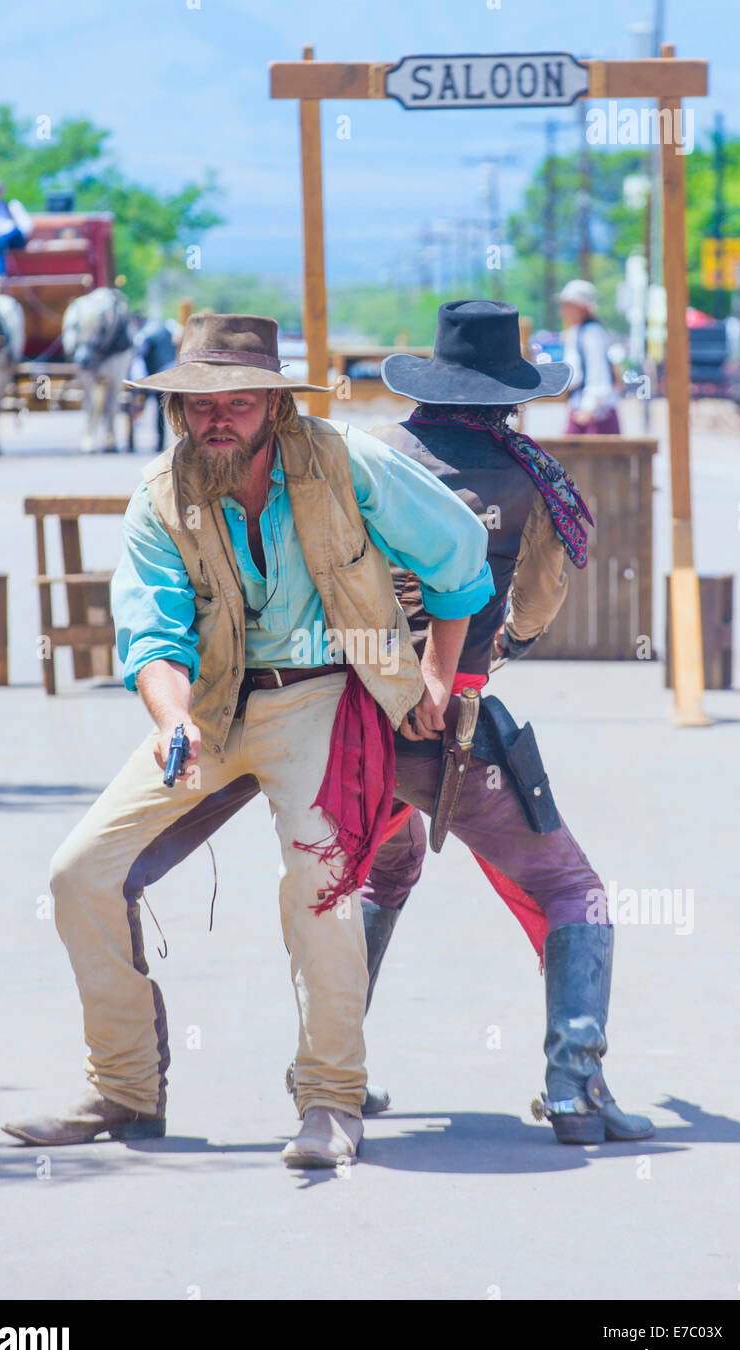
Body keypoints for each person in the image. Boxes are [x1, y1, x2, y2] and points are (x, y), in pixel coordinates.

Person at [150, 302, 654, 1146]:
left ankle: (331, 1073)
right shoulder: (533, 475)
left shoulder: (368, 454)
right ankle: (577, 1089)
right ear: (511, 394)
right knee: (573, 891)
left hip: (342, 710)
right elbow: (534, 604)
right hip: (449, 715)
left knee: (376, 876)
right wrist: (480, 664)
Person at [1, 312, 493, 1168]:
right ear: (178, 412)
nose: (217, 416)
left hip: (325, 696)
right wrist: (173, 720)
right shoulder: (160, 496)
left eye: (236, 399)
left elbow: (461, 554)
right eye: (199, 403)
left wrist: (441, 679)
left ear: (274, 402)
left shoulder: (342, 461)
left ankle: (331, 1099)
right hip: (213, 708)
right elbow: (152, 636)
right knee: (79, 872)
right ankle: (122, 1088)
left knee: (320, 879)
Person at [559, 279, 622, 435]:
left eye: (568, 305)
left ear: (581, 307)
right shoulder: (578, 332)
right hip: (581, 408)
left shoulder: (592, 333)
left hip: (593, 414)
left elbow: (598, 372)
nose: (563, 311)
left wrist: (589, 407)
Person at [131, 316, 177, 450]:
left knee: (151, 409)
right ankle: (163, 443)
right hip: (169, 373)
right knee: (163, 410)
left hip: (153, 375)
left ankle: (157, 443)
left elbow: (139, 360)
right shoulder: (168, 329)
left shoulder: (144, 334)